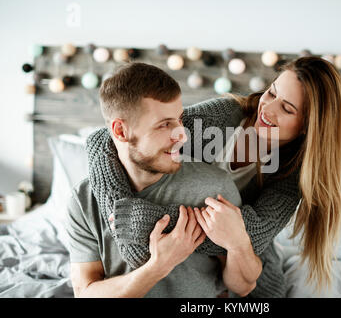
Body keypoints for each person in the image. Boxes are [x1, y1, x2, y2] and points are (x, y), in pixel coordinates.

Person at [87, 56, 341, 296]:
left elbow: (248, 235)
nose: (268, 109)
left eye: (287, 109)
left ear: (308, 127)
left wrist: (145, 222)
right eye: (271, 93)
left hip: (249, 271)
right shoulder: (224, 116)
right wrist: (121, 214)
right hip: (190, 261)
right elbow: (102, 139)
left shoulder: (293, 174)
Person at [67, 62, 262, 297]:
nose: (181, 135)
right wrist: (158, 266)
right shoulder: (84, 200)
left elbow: (242, 287)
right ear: (120, 131)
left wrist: (238, 243)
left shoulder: (213, 188)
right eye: (165, 125)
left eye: (179, 119)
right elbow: (85, 292)